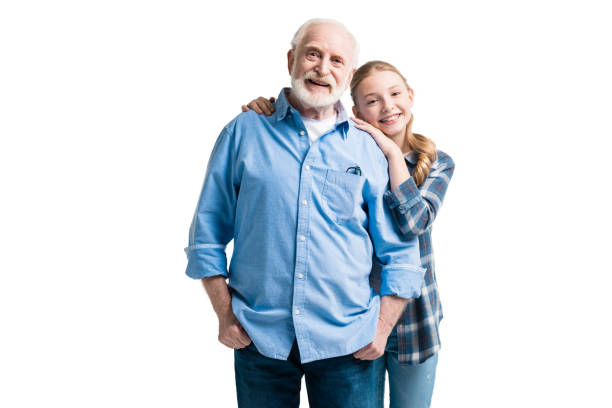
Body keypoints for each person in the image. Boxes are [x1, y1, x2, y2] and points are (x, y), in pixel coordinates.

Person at [184, 19, 426, 408]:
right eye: (313, 54)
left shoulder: (368, 148)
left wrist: (380, 331)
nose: (322, 68)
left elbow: (400, 254)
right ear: (292, 59)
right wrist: (225, 313)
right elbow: (206, 234)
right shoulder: (244, 131)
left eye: (336, 60)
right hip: (259, 340)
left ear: (348, 77)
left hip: (350, 346)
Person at [242, 61, 454, 407]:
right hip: (353, 320)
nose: (387, 106)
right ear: (354, 111)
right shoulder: (346, 150)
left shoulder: (436, 161)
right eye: (372, 101)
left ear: (411, 96)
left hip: (412, 320)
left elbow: (415, 223)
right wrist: (272, 109)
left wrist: (390, 152)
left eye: (395, 94)